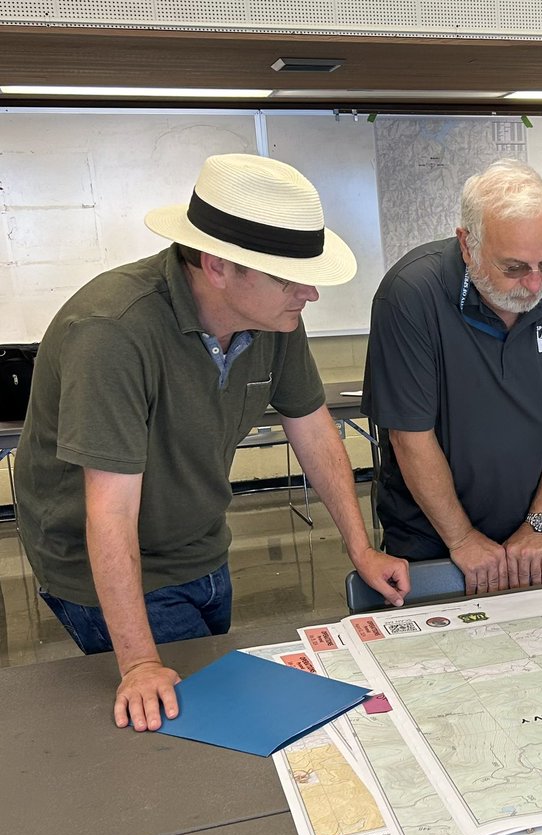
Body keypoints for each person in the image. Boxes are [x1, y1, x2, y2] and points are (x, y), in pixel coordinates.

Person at [15, 153, 411, 733]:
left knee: (215, 711)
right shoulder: (112, 331)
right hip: (105, 562)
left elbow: (312, 426)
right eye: (287, 276)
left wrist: (361, 547)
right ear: (218, 265)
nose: (309, 293)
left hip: (200, 544)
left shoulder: (276, 321)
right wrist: (140, 662)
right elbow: (111, 508)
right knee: (200, 724)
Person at [362, 159, 542, 594]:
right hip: (430, 536)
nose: (534, 284)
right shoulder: (412, 294)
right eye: (513, 268)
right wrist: (461, 537)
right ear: (468, 245)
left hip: (530, 532)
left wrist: (541, 523)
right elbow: (410, 436)